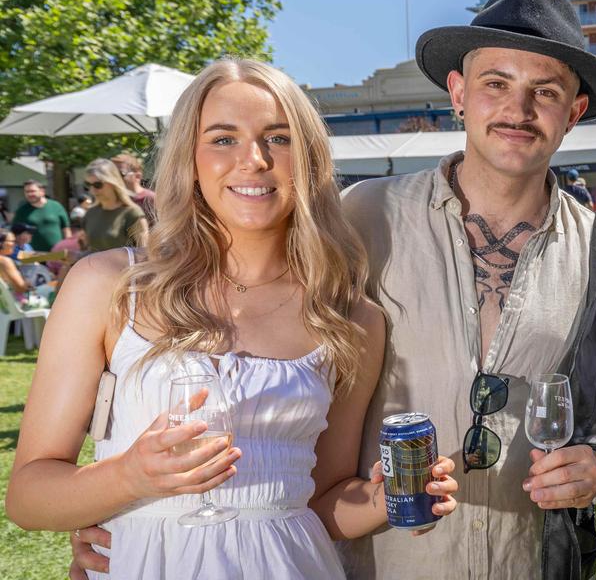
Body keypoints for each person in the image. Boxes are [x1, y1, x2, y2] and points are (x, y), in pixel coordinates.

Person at [33, 58, 459, 580]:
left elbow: (320, 503)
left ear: (308, 160)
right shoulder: (109, 286)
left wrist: (383, 498)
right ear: (189, 158)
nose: (253, 160)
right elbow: (31, 498)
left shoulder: (349, 318)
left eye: (278, 139)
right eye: (223, 139)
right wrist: (129, 477)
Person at [338, 0, 596, 579]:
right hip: (386, 562)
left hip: (530, 562)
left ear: (574, 113)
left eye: (545, 92)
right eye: (496, 83)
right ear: (458, 93)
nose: (518, 110)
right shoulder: (361, 218)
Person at [81, 159, 149, 252]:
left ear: (113, 183)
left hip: (126, 266)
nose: (92, 190)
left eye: (98, 185)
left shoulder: (132, 213)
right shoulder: (91, 213)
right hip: (94, 266)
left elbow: (145, 253)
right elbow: (90, 251)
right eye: (88, 185)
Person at [12, 179, 71, 252]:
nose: (29, 194)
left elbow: (66, 229)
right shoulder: (21, 211)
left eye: (32, 191)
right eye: (27, 192)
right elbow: (14, 233)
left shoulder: (56, 206)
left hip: (57, 254)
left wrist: (68, 247)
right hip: (33, 255)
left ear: (42, 191)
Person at [112, 152, 158, 226]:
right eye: (112, 174)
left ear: (137, 176)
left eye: (120, 174)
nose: (115, 178)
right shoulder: (114, 199)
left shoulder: (150, 199)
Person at [0, 230, 34, 297]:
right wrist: (29, 284)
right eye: (13, 241)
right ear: (1, 243)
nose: (15, 244)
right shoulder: (5, 261)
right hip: (12, 303)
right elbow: (20, 288)